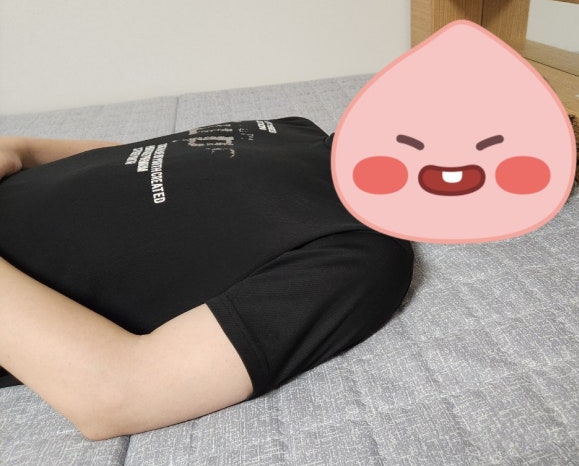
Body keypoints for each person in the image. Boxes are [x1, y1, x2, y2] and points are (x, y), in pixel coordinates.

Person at [0, 117, 413, 441]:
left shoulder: (362, 258)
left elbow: (115, 394)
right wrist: (20, 148)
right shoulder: (295, 129)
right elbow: (136, 159)